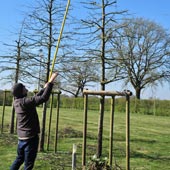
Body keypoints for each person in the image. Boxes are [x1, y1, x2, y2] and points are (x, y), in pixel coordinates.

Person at [10, 72, 58, 170]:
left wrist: (44, 88)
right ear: (21, 91)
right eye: (23, 87)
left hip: (22, 138)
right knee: (28, 165)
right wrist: (51, 81)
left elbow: (35, 98)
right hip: (30, 139)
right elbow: (43, 98)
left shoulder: (17, 102)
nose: (25, 87)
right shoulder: (25, 102)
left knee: (19, 159)